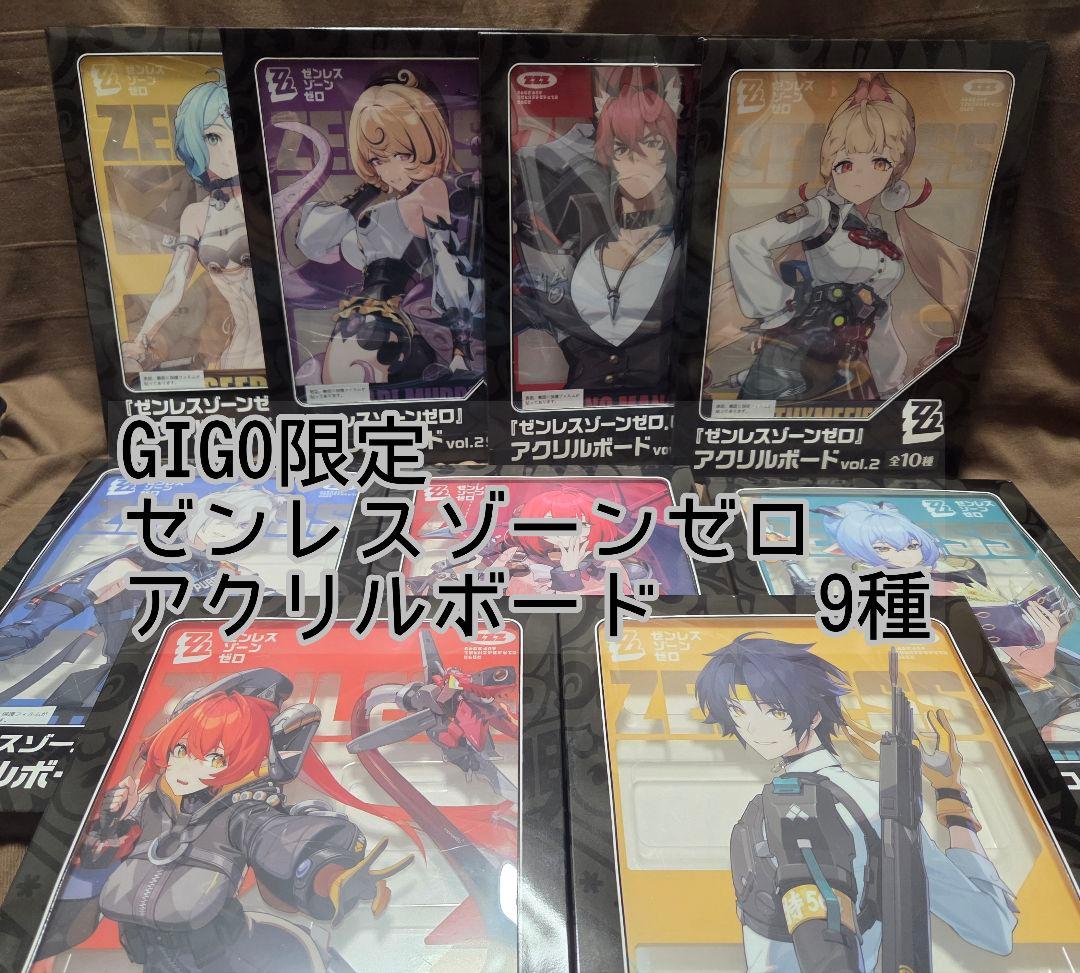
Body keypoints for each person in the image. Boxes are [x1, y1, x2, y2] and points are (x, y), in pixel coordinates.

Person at [35, 669, 413, 973]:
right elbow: (74, 906)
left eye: (215, 758)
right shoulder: (148, 809)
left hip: (224, 955)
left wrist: (327, 873)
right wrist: (106, 833)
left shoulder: (240, 812)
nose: (188, 767)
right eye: (181, 750)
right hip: (153, 959)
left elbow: (279, 840)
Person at [696, 633, 1017, 972]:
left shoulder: (792, 806)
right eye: (738, 711)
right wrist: (951, 796)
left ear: (814, 715)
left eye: (774, 711)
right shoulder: (871, 801)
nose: (753, 728)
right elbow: (993, 927)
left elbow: (991, 930)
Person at [721, 73, 973, 402]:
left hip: (846, 371)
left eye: (879, 162)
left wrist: (890, 385)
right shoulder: (820, 212)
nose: (860, 175)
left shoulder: (881, 236)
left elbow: (879, 319)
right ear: (831, 164)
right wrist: (777, 316)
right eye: (845, 163)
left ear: (896, 169)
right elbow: (745, 243)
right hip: (790, 363)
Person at [291, 69, 482, 391]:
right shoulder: (386, 203)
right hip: (365, 319)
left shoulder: (430, 190)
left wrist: (460, 345)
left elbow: (449, 265)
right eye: (378, 159)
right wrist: (368, 188)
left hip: (381, 325)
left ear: (430, 143)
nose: (391, 169)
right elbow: (312, 242)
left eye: (403, 155)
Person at [512, 66, 685, 400]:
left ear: (668, 148)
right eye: (622, 148)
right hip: (576, 411)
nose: (636, 160)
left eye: (650, 143)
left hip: (658, 409)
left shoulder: (679, 245)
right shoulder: (582, 241)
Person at [122, 70, 264, 382]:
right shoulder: (197, 215)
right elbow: (175, 283)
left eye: (237, 134)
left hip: (277, 345)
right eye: (212, 137)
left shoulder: (265, 203)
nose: (228, 149)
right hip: (236, 350)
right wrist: (142, 340)